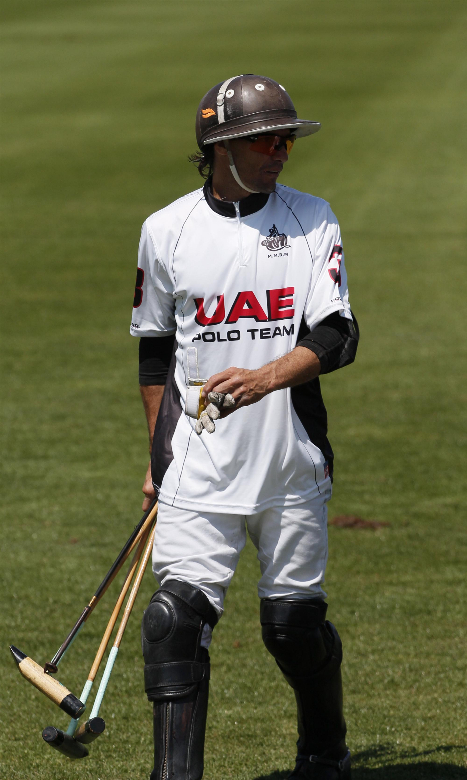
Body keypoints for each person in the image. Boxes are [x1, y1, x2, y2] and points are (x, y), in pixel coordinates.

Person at [130, 74, 359, 780]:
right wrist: (158, 452)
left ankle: (324, 748)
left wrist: (263, 378)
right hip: (197, 461)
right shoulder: (165, 231)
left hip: (288, 460)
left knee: (291, 629)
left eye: (286, 137)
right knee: (172, 624)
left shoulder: (311, 219)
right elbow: (154, 348)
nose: (281, 151)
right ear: (219, 147)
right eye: (266, 138)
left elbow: (337, 335)